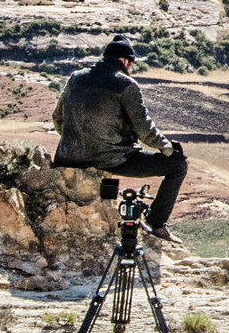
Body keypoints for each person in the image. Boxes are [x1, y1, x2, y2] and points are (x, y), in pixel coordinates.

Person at [52, 37, 186, 242]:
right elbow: (145, 129)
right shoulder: (126, 85)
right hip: (111, 159)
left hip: (68, 157)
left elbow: (57, 118)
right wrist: (167, 148)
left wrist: (78, 140)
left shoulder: (76, 77)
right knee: (177, 166)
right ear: (125, 61)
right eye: (131, 64)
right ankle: (156, 224)